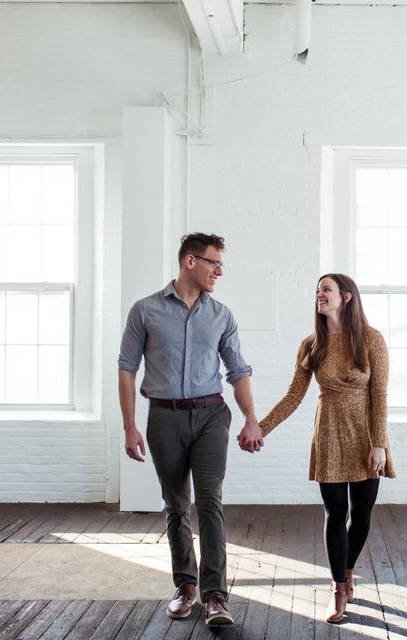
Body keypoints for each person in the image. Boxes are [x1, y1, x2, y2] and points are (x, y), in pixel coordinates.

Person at [118, 232, 264, 627]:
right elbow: (127, 369)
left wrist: (251, 417)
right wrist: (130, 426)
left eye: (221, 264)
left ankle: (215, 596)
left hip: (211, 415)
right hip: (163, 417)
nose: (219, 271)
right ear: (190, 262)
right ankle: (186, 587)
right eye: (213, 262)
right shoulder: (145, 311)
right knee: (176, 504)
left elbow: (238, 372)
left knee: (210, 502)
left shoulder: (222, 315)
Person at [241, 273, 394, 623]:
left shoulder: (371, 340)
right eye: (317, 291)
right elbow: (295, 395)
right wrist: (259, 427)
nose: (319, 295)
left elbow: (380, 395)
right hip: (329, 434)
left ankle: (349, 568)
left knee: (362, 514)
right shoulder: (312, 344)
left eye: (326, 290)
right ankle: (339, 588)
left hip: (366, 434)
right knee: (335, 512)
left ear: (347, 297)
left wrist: (379, 444)